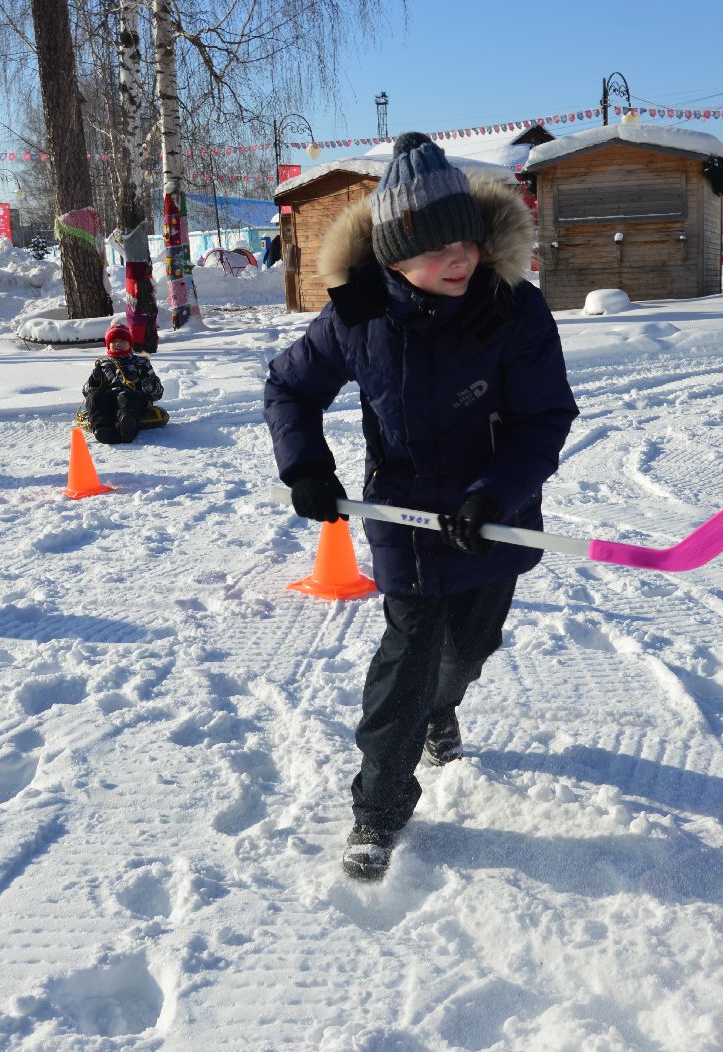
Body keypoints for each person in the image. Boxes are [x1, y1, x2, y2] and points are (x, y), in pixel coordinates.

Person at [263, 132, 578, 881]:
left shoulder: (513, 310)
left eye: (465, 241)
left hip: (492, 518)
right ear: (396, 256)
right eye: (439, 250)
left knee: (467, 649)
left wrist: (494, 493)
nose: (461, 259)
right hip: (405, 521)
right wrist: (305, 465)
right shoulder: (357, 317)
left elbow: (546, 417)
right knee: (404, 663)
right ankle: (377, 809)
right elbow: (289, 387)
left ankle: (445, 707)